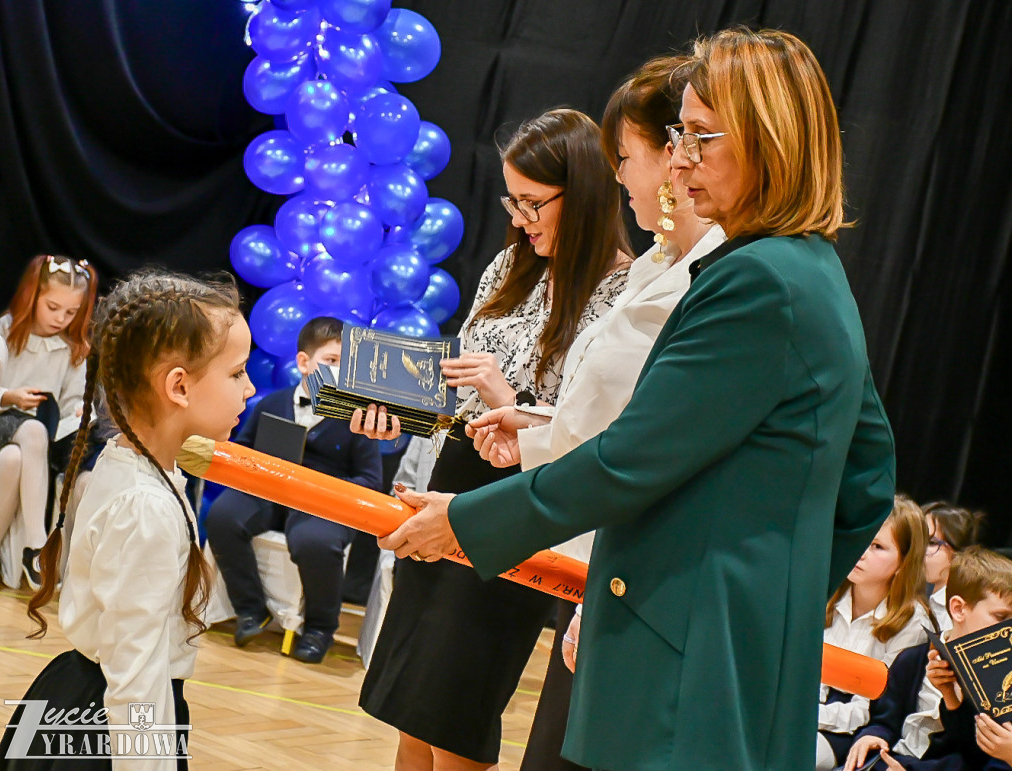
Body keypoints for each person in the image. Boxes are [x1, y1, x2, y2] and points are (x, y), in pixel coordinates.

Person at [376, 27, 897, 770]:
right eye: (677, 136)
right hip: (723, 635)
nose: (679, 161)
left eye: (700, 138)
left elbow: (630, 459)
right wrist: (780, 593)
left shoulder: (757, 280)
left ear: (770, 141)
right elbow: (869, 472)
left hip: (680, 643)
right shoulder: (810, 269)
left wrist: (464, 521)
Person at [465, 55, 725, 771]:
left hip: (630, 579)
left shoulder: (714, 280)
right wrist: (537, 428)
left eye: (626, 156)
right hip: (589, 561)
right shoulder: (657, 266)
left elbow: (654, 458)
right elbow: (616, 425)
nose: (620, 175)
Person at [354, 108, 633, 770]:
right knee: (409, 702)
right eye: (512, 200)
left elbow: (597, 430)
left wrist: (510, 398)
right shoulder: (514, 262)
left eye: (534, 202)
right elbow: (457, 391)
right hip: (453, 476)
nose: (519, 217)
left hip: (519, 501)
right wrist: (398, 408)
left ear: (587, 192)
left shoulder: (626, 291)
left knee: (455, 705)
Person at [0, 270, 255, 770]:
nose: (251, 386)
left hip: (79, 699)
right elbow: (136, 677)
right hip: (106, 730)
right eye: (237, 372)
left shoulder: (129, 464)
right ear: (178, 386)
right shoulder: (145, 508)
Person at [206, 315, 382, 664]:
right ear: (304, 362)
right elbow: (241, 451)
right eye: (331, 361)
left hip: (324, 505)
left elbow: (371, 480)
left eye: (345, 365)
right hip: (268, 494)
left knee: (315, 542)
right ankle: (251, 609)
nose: (338, 371)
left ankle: (319, 629)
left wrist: (323, 490)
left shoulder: (359, 419)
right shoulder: (271, 404)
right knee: (223, 516)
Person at [842, 546, 1012, 771]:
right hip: (891, 760)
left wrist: (952, 700)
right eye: (1001, 617)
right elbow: (885, 720)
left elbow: (974, 756)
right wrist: (873, 736)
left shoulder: (1002, 676)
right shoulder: (912, 660)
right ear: (959, 609)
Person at [0, 254, 97, 591]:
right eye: (53, 308)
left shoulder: (73, 348)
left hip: (35, 447)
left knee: (15, 458)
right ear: (32, 296)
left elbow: (72, 402)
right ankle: (38, 546)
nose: (61, 319)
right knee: (30, 431)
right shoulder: (2, 331)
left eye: (71, 312)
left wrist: (80, 410)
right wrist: (9, 397)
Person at [818, 496, 933, 769]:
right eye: (861, 540)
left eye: (878, 546)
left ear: (904, 562)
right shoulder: (827, 592)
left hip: (847, 731)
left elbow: (870, 710)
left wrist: (806, 716)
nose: (862, 552)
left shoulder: (912, 622)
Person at [922, 501, 987, 631]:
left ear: (959, 552)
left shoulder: (962, 611)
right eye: (916, 540)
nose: (919, 550)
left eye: (931, 543)